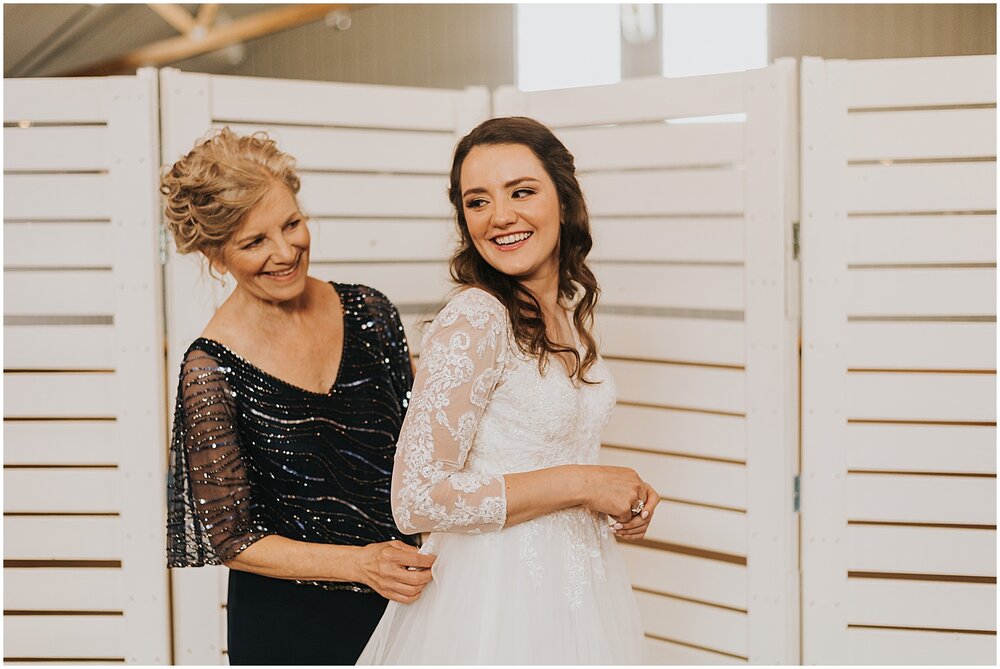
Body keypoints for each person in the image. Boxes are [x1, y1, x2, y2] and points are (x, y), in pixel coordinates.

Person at [358, 117, 659, 665]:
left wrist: (620, 494)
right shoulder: (476, 316)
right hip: (494, 601)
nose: (500, 217)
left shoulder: (564, 313)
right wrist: (585, 483)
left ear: (564, 201)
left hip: (577, 589)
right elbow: (415, 498)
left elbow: (549, 447)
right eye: (477, 202)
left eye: (521, 191)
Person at [163, 128, 436, 665]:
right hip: (288, 628)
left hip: (409, 603)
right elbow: (233, 540)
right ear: (217, 256)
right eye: (254, 241)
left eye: (291, 224)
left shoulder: (371, 313)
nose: (286, 252)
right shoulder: (210, 370)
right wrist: (361, 565)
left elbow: (423, 454)